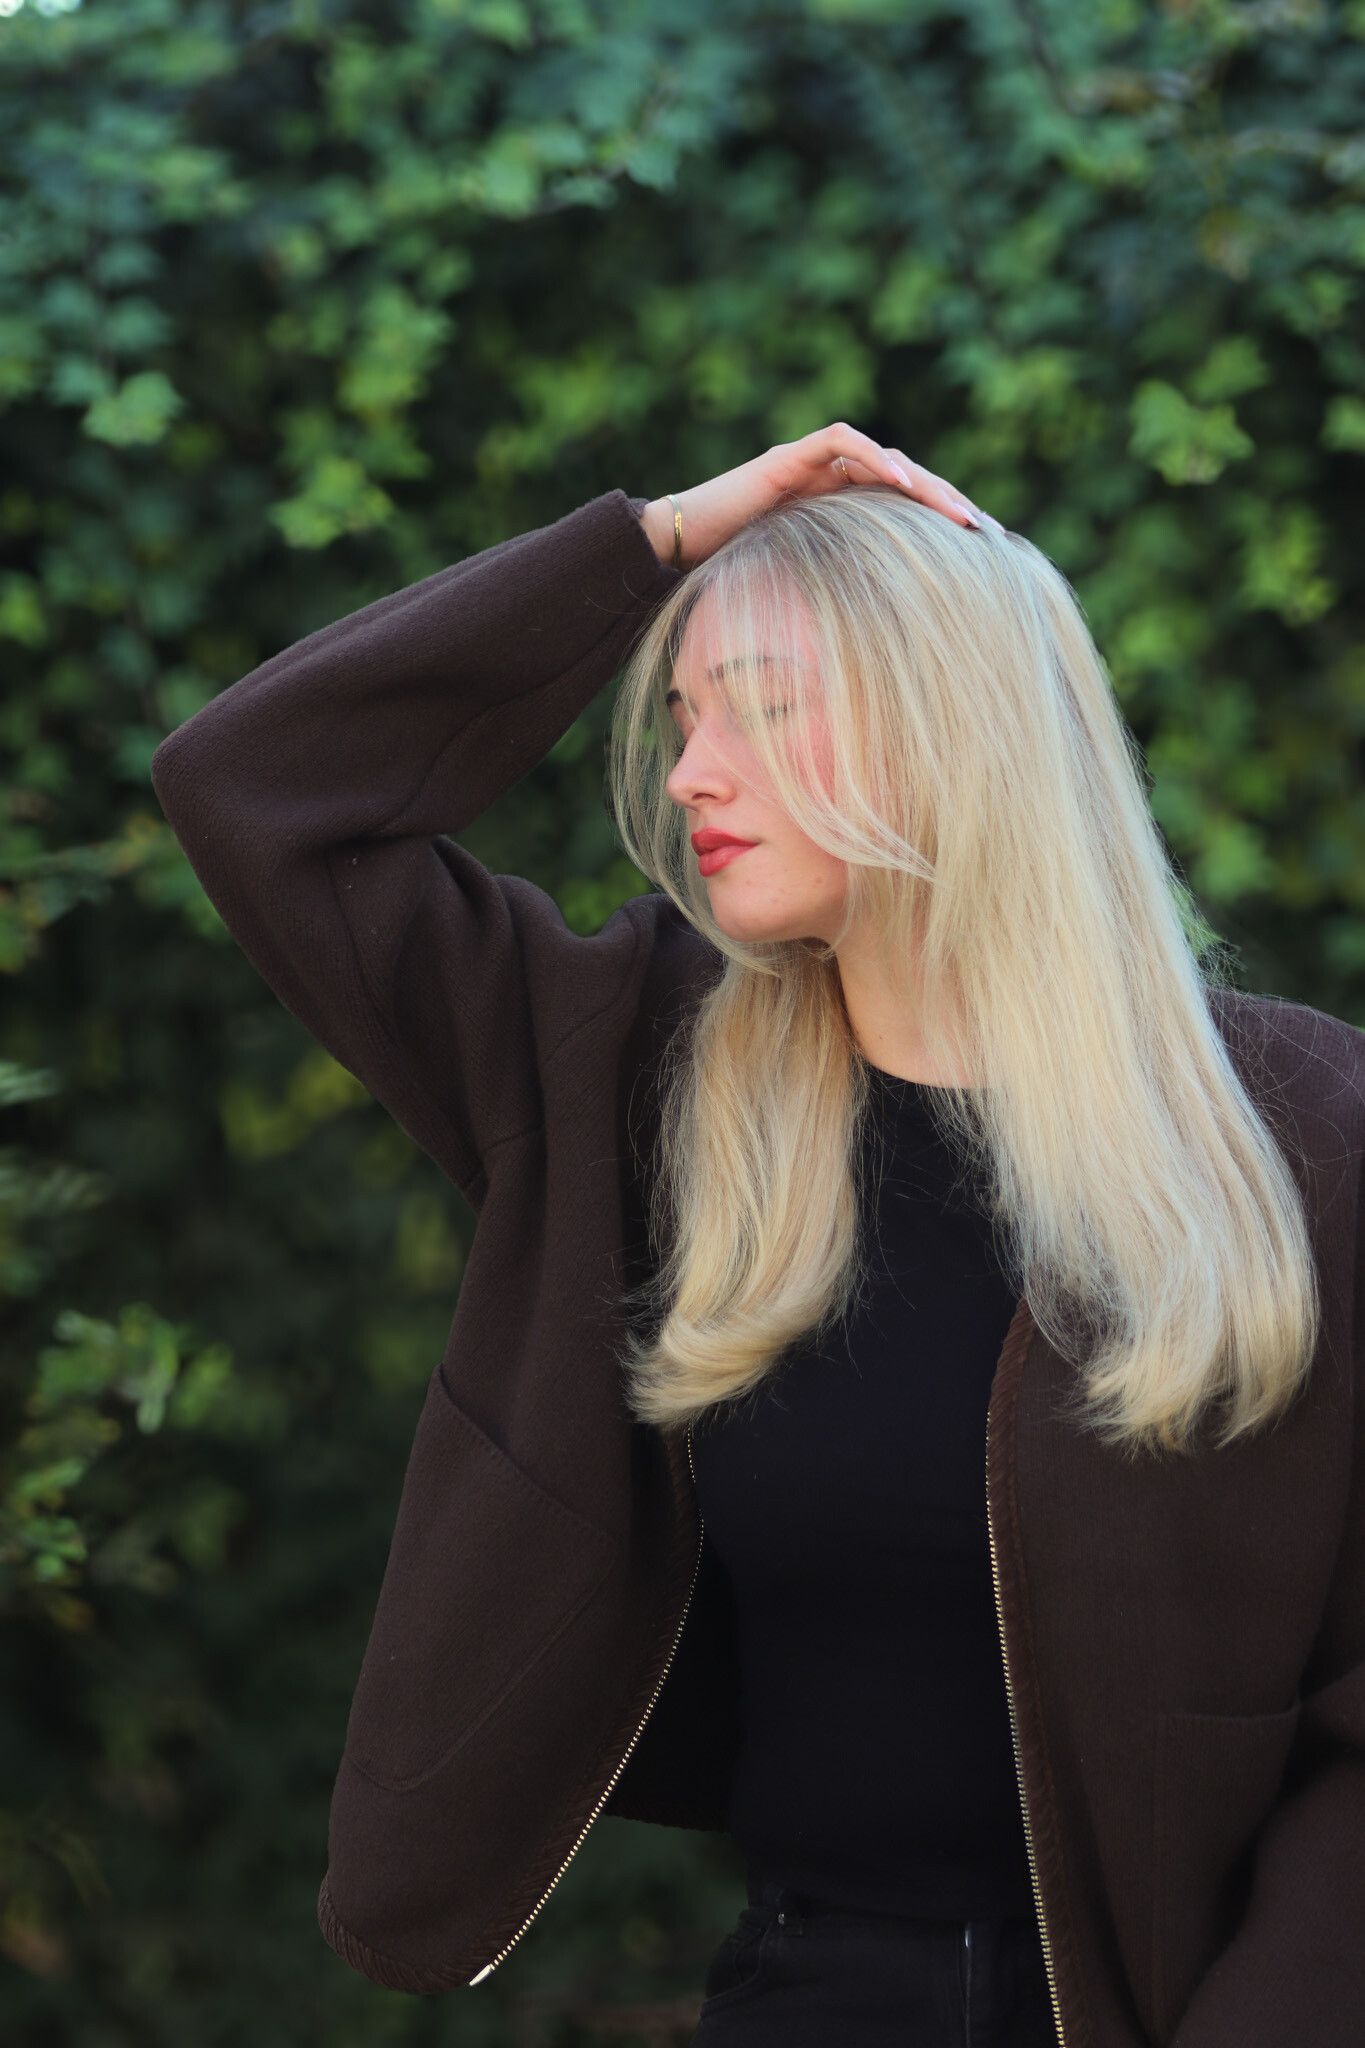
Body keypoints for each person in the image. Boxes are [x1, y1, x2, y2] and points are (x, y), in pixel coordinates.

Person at [150, 426, 1365, 2043]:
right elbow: (255, 789)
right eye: (684, 716)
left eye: (766, 710)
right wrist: (652, 539)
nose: (689, 775)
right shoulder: (627, 1069)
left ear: (960, 727)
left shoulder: (1301, 1130)